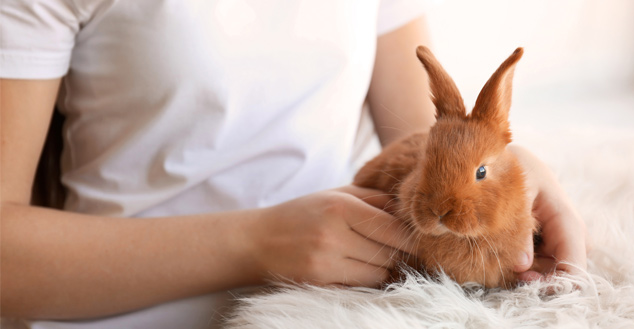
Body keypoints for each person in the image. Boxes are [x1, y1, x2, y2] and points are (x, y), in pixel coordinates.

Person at [0, 0, 587, 328]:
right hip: (125, 313)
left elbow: (426, 140)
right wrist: (257, 243)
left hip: (332, 311)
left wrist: (512, 167)